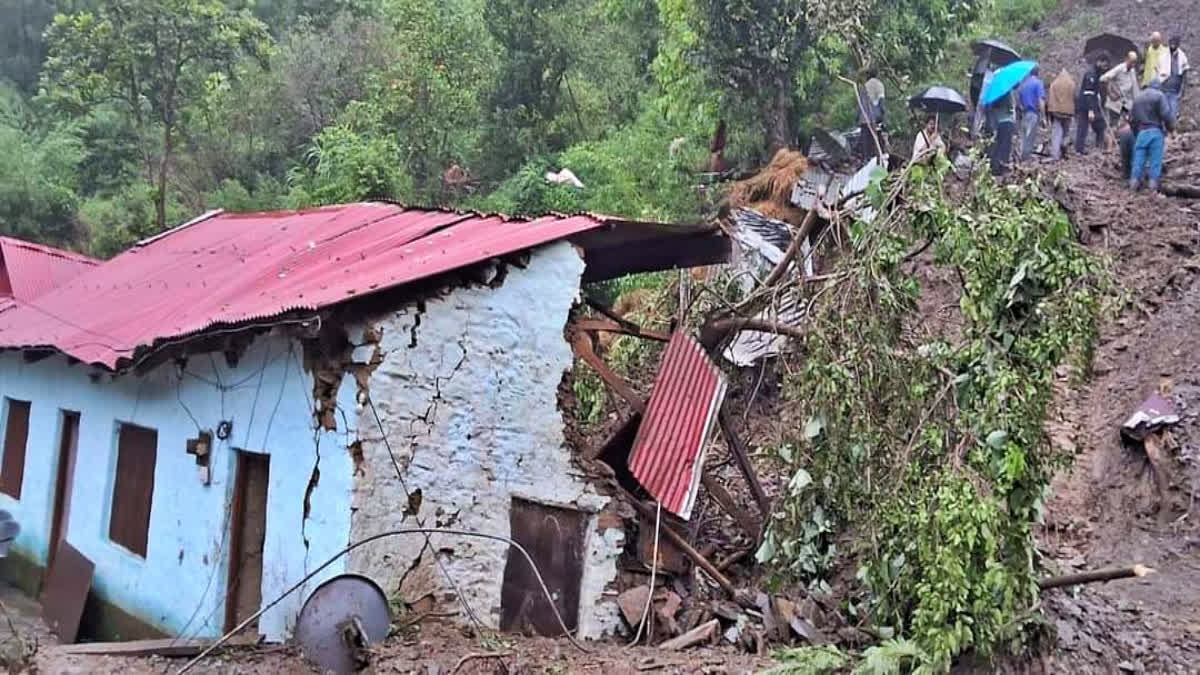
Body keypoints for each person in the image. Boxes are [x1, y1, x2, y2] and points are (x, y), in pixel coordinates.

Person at [1129, 82, 1176, 192]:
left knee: (1138, 159)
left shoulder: (1138, 98)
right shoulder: (1159, 95)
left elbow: (1132, 119)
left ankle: (1133, 184)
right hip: (1155, 132)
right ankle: (1152, 187)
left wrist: (1136, 133)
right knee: (1155, 161)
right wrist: (1171, 129)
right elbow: (1166, 114)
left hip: (1141, 132)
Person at [1076, 54, 1111, 154]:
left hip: (1094, 103)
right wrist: (1090, 110)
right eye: (1104, 65)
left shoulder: (1098, 74)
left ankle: (1099, 145)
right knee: (1083, 126)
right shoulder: (1091, 74)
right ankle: (1079, 149)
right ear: (1099, 62)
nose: (1105, 68)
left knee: (1100, 125)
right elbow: (1088, 92)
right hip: (1086, 104)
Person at [1101, 51, 1141, 128]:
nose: (1133, 65)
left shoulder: (1132, 71)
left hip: (1126, 103)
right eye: (1131, 62)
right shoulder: (1119, 68)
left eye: (1134, 63)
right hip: (1115, 102)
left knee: (1126, 122)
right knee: (1113, 123)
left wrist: (1137, 101)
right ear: (1127, 59)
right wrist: (1110, 91)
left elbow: (1135, 88)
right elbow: (1104, 78)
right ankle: (1110, 138)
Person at [1018, 67, 1047, 160]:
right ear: (1038, 72)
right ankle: (1025, 161)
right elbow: (1040, 100)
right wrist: (1043, 116)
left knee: (1023, 138)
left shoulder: (1023, 84)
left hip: (1024, 113)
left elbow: (1019, 101)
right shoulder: (1038, 83)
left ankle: (1020, 158)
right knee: (1030, 138)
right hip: (1033, 113)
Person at [1047, 68, 1077, 159]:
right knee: (1066, 132)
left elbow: (1050, 98)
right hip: (1068, 112)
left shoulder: (1054, 84)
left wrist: (1050, 111)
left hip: (1056, 112)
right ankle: (1064, 147)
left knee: (1056, 133)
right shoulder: (1072, 84)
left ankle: (1055, 154)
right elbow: (1075, 97)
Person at [857, 74, 886, 159]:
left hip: (864, 119)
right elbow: (881, 103)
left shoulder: (864, 86)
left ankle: (866, 160)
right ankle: (878, 160)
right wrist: (883, 116)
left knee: (866, 145)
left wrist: (857, 117)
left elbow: (860, 104)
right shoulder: (879, 85)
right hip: (874, 119)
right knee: (878, 142)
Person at [988, 90, 1016, 175]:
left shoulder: (993, 94)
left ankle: (995, 167)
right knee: (1005, 146)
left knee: (998, 145)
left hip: (997, 121)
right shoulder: (1006, 92)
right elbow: (1010, 108)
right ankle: (1003, 166)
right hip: (1007, 120)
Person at [1163, 36, 1190, 119]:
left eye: (1174, 44)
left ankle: (1171, 129)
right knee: (1163, 112)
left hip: (1175, 90)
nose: (1172, 46)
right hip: (1164, 88)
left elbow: (1184, 75)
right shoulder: (1164, 55)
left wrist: (1182, 90)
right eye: (1171, 43)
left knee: (1173, 112)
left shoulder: (1182, 57)